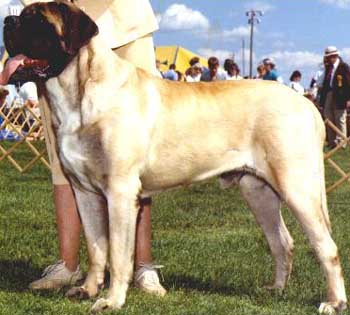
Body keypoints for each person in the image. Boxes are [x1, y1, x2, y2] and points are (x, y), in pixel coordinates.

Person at [20, 0, 166, 295]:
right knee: (64, 156)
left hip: (123, 22)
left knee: (130, 158)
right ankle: (68, 264)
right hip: (55, 25)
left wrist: (76, 16)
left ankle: (143, 266)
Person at [319, 46, 350, 148]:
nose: (329, 59)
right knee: (328, 117)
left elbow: (348, 83)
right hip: (329, 93)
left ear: (336, 55)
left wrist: (348, 99)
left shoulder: (344, 67)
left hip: (340, 96)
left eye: (331, 56)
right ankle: (332, 142)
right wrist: (322, 101)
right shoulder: (328, 68)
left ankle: (342, 142)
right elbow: (324, 83)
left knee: (340, 118)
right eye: (328, 57)